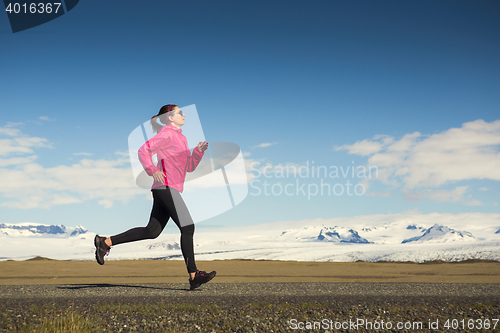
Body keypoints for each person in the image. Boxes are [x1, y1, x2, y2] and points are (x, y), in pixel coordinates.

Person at [94, 104, 216, 290]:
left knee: (152, 231)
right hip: (165, 186)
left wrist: (198, 152)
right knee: (188, 227)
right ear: (170, 117)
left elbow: (189, 167)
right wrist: (153, 170)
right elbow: (143, 151)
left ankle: (106, 242)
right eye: (179, 113)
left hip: (168, 188)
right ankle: (193, 275)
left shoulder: (181, 138)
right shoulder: (167, 134)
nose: (183, 114)